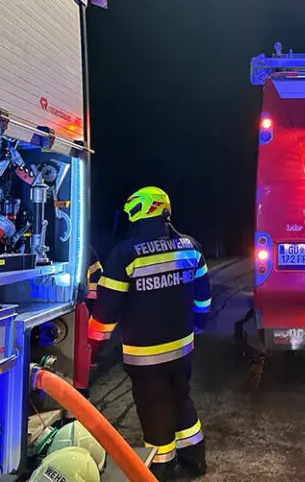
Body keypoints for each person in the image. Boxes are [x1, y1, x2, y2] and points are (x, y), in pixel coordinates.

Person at [87, 187, 211, 481]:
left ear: (137, 213)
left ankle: (161, 469)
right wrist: (198, 326)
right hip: (182, 350)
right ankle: (195, 460)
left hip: (145, 356)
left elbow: (106, 311)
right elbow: (203, 297)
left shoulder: (124, 254)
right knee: (180, 398)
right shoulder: (191, 247)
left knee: (154, 409)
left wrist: (92, 346)